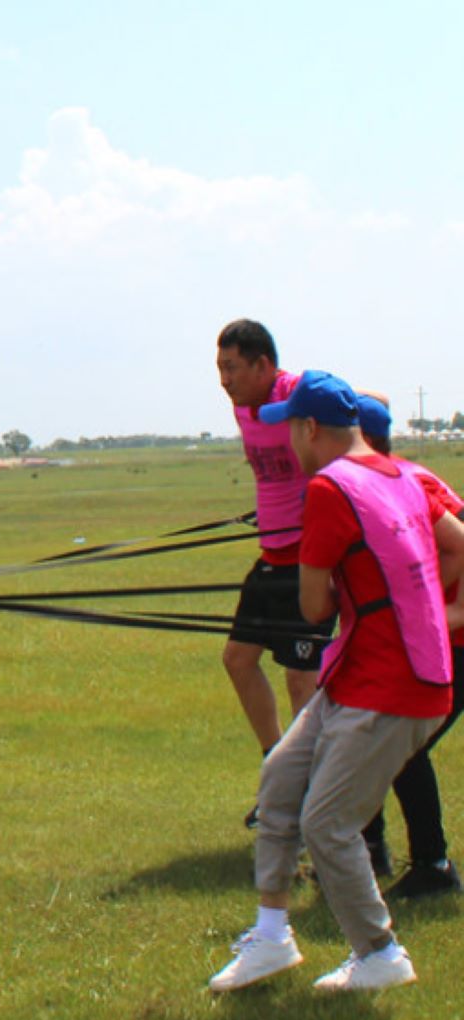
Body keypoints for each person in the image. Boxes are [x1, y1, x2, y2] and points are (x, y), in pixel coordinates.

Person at [209, 373, 464, 994]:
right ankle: (272, 937)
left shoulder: (327, 489)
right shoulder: (404, 476)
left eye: (290, 427)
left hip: (388, 685)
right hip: (362, 675)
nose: (289, 441)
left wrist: (393, 600)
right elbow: (456, 547)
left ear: (309, 429)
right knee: (281, 778)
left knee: (327, 824)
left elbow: (315, 605)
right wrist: (417, 594)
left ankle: (379, 954)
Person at [216, 320, 335, 827]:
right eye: (219, 369)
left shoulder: (298, 394)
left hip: (311, 559)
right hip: (273, 552)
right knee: (238, 659)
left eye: (232, 367)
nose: (224, 380)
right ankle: (277, 771)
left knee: (301, 681)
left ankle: (307, 800)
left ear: (264, 364)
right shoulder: (244, 407)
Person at [354, 396, 464, 898]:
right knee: (385, 740)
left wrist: (429, 617)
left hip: (454, 644)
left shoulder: (402, 483)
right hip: (442, 640)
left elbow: (459, 542)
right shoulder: (389, 479)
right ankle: (379, 852)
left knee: (398, 743)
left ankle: (432, 866)